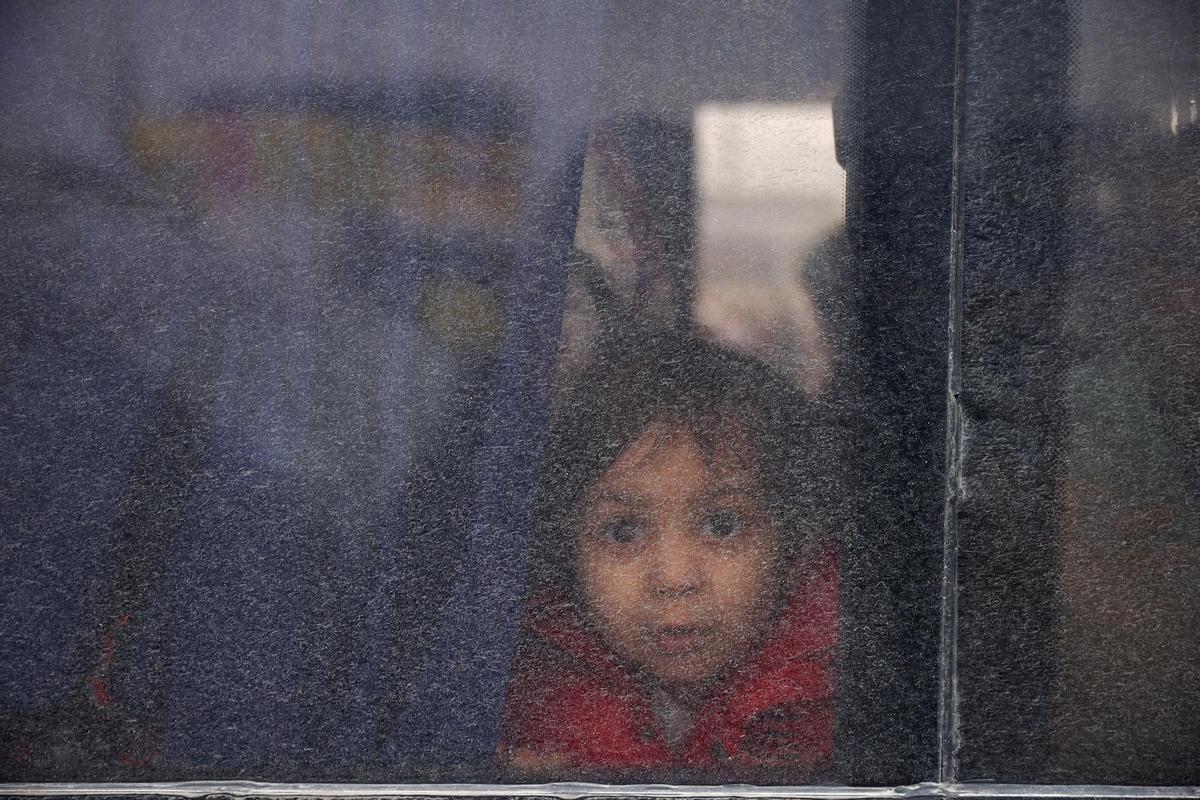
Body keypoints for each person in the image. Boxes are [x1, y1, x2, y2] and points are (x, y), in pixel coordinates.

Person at [499, 332, 841, 782]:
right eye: (623, 531)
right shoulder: (521, 705)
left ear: (792, 544)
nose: (674, 578)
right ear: (568, 551)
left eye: (723, 525)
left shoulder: (845, 702)